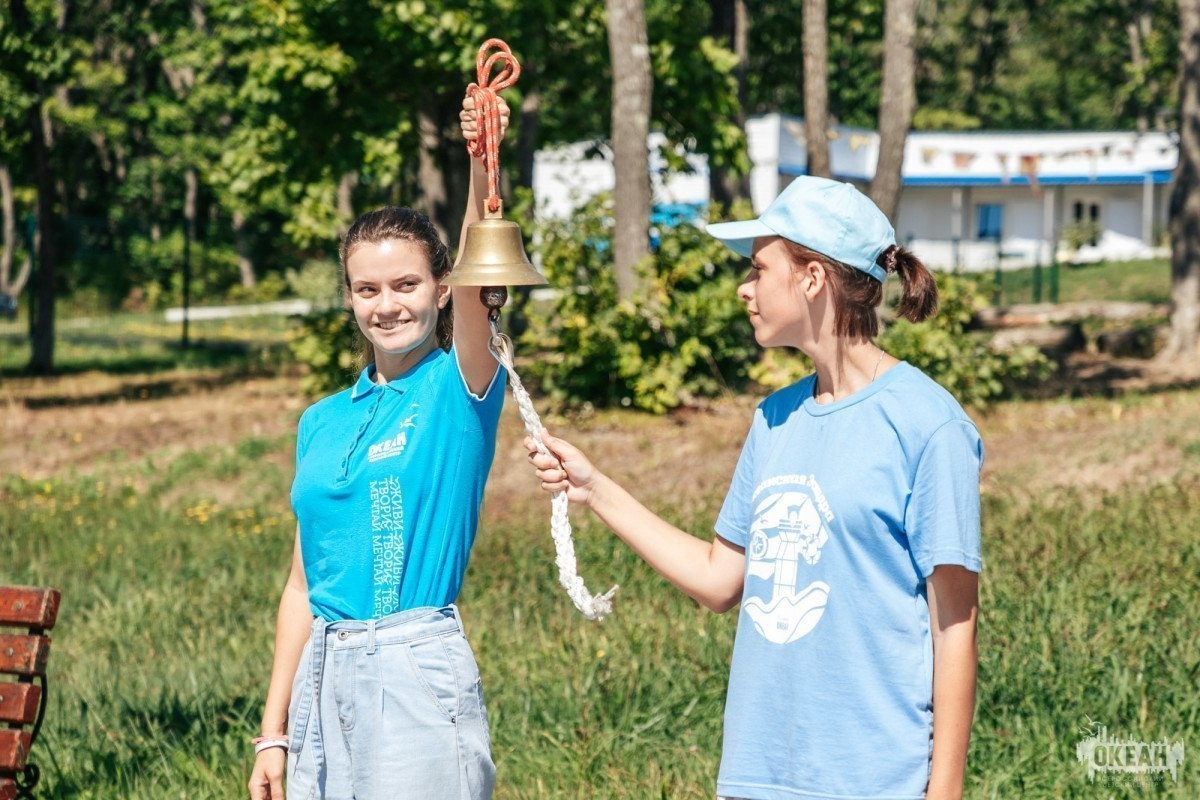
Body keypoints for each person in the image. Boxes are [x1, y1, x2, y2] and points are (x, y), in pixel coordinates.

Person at [526, 176, 982, 800]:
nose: (744, 288)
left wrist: (946, 790)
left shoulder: (929, 425)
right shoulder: (774, 418)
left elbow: (956, 623)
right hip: (757, 777)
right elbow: (720, 581)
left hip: (875, 781)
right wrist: (595, 488)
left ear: (813, 278)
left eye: (759, 268)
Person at [247, 94, 510, 800]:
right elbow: (301, 588)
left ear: (440, 289)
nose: (386, 305)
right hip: (322, 675)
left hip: (414, 671)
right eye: (367, 289)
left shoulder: (459, 389)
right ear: (350, 299)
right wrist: (274, 732)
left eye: (406, 285)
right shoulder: (321, 419)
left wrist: (484, 163)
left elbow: (487, 273)